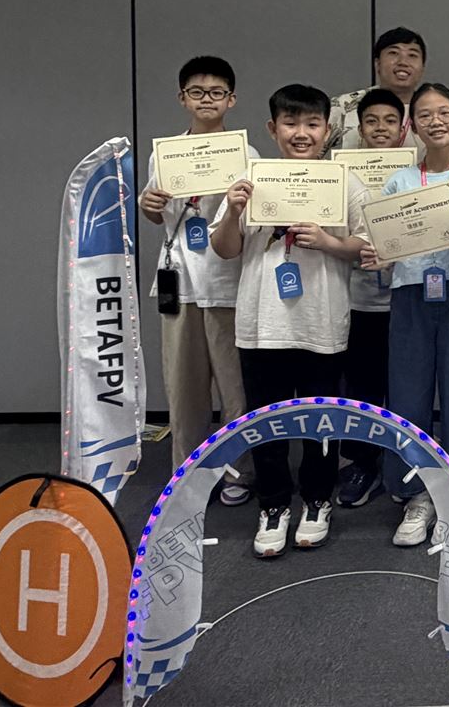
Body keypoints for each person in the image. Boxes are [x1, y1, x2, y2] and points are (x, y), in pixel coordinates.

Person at [212, 84, 370, 558]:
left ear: (327, 129)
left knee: (320, 421)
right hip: (261, 325)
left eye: (312, 124)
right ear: (272, 128)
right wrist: (233, 212)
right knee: (267, 421)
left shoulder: (344, 181)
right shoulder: (251, 179)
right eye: (290, 123)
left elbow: (366, 248)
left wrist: (328, 242)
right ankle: (274, 504)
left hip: (321, 323)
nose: (301, 133)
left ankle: (318, 500)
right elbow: (225, 249)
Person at [362, 82, 449, 547]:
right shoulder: (398, 183)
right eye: (425, 115)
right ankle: (416, 494)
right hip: (410, 295)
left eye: (444, 112)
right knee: (408, 397)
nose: (436, 121)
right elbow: (386, 251)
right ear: (413, 127)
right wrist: (379, 256)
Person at [138, 56, 256, 506]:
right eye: (197, 92)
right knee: (183, 388)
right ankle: (186, 474)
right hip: (180, 283)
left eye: (217, 92)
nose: (207, 100)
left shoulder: (247, 155)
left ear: (231, 99)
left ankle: (238, 471)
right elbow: (159, 215)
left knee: (234, 388)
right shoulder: (165, 153)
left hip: (228, 283)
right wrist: (149, 206)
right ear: (182, 98)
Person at [335, 88, 406, 509]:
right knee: (361, 387)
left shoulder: (416, 175)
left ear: (402, 129)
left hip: (405, 300)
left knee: (404, 389)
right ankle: (361, 463)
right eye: (372, 121)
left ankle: (401, 464)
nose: (381, 129)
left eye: (390, 121)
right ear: (360, 129)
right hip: (357, 299)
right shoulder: (340, 178)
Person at [327, 27, 427, 151]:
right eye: (394, 53)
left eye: (412, 55)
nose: (403, 62)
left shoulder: (433, 111)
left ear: (422, 67)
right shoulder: (344, 106)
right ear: (377, 63)